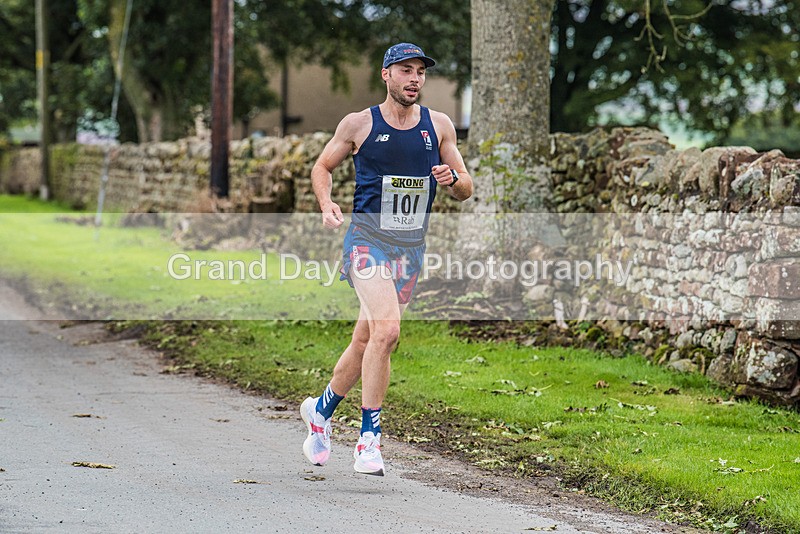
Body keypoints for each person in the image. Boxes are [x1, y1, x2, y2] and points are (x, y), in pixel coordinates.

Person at [300, 42, 473, 476]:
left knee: (366, 340)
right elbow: (322, 167)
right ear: (386, 75)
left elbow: (466, 186)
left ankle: (320, 412)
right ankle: (369, 440)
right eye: (406, 70)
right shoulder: (359, 124)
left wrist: (452, 178)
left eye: (420, 72)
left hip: (410, 249)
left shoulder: (439, 125)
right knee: (388, 331)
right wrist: (326, 203)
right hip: (366, 241)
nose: (415, 79)